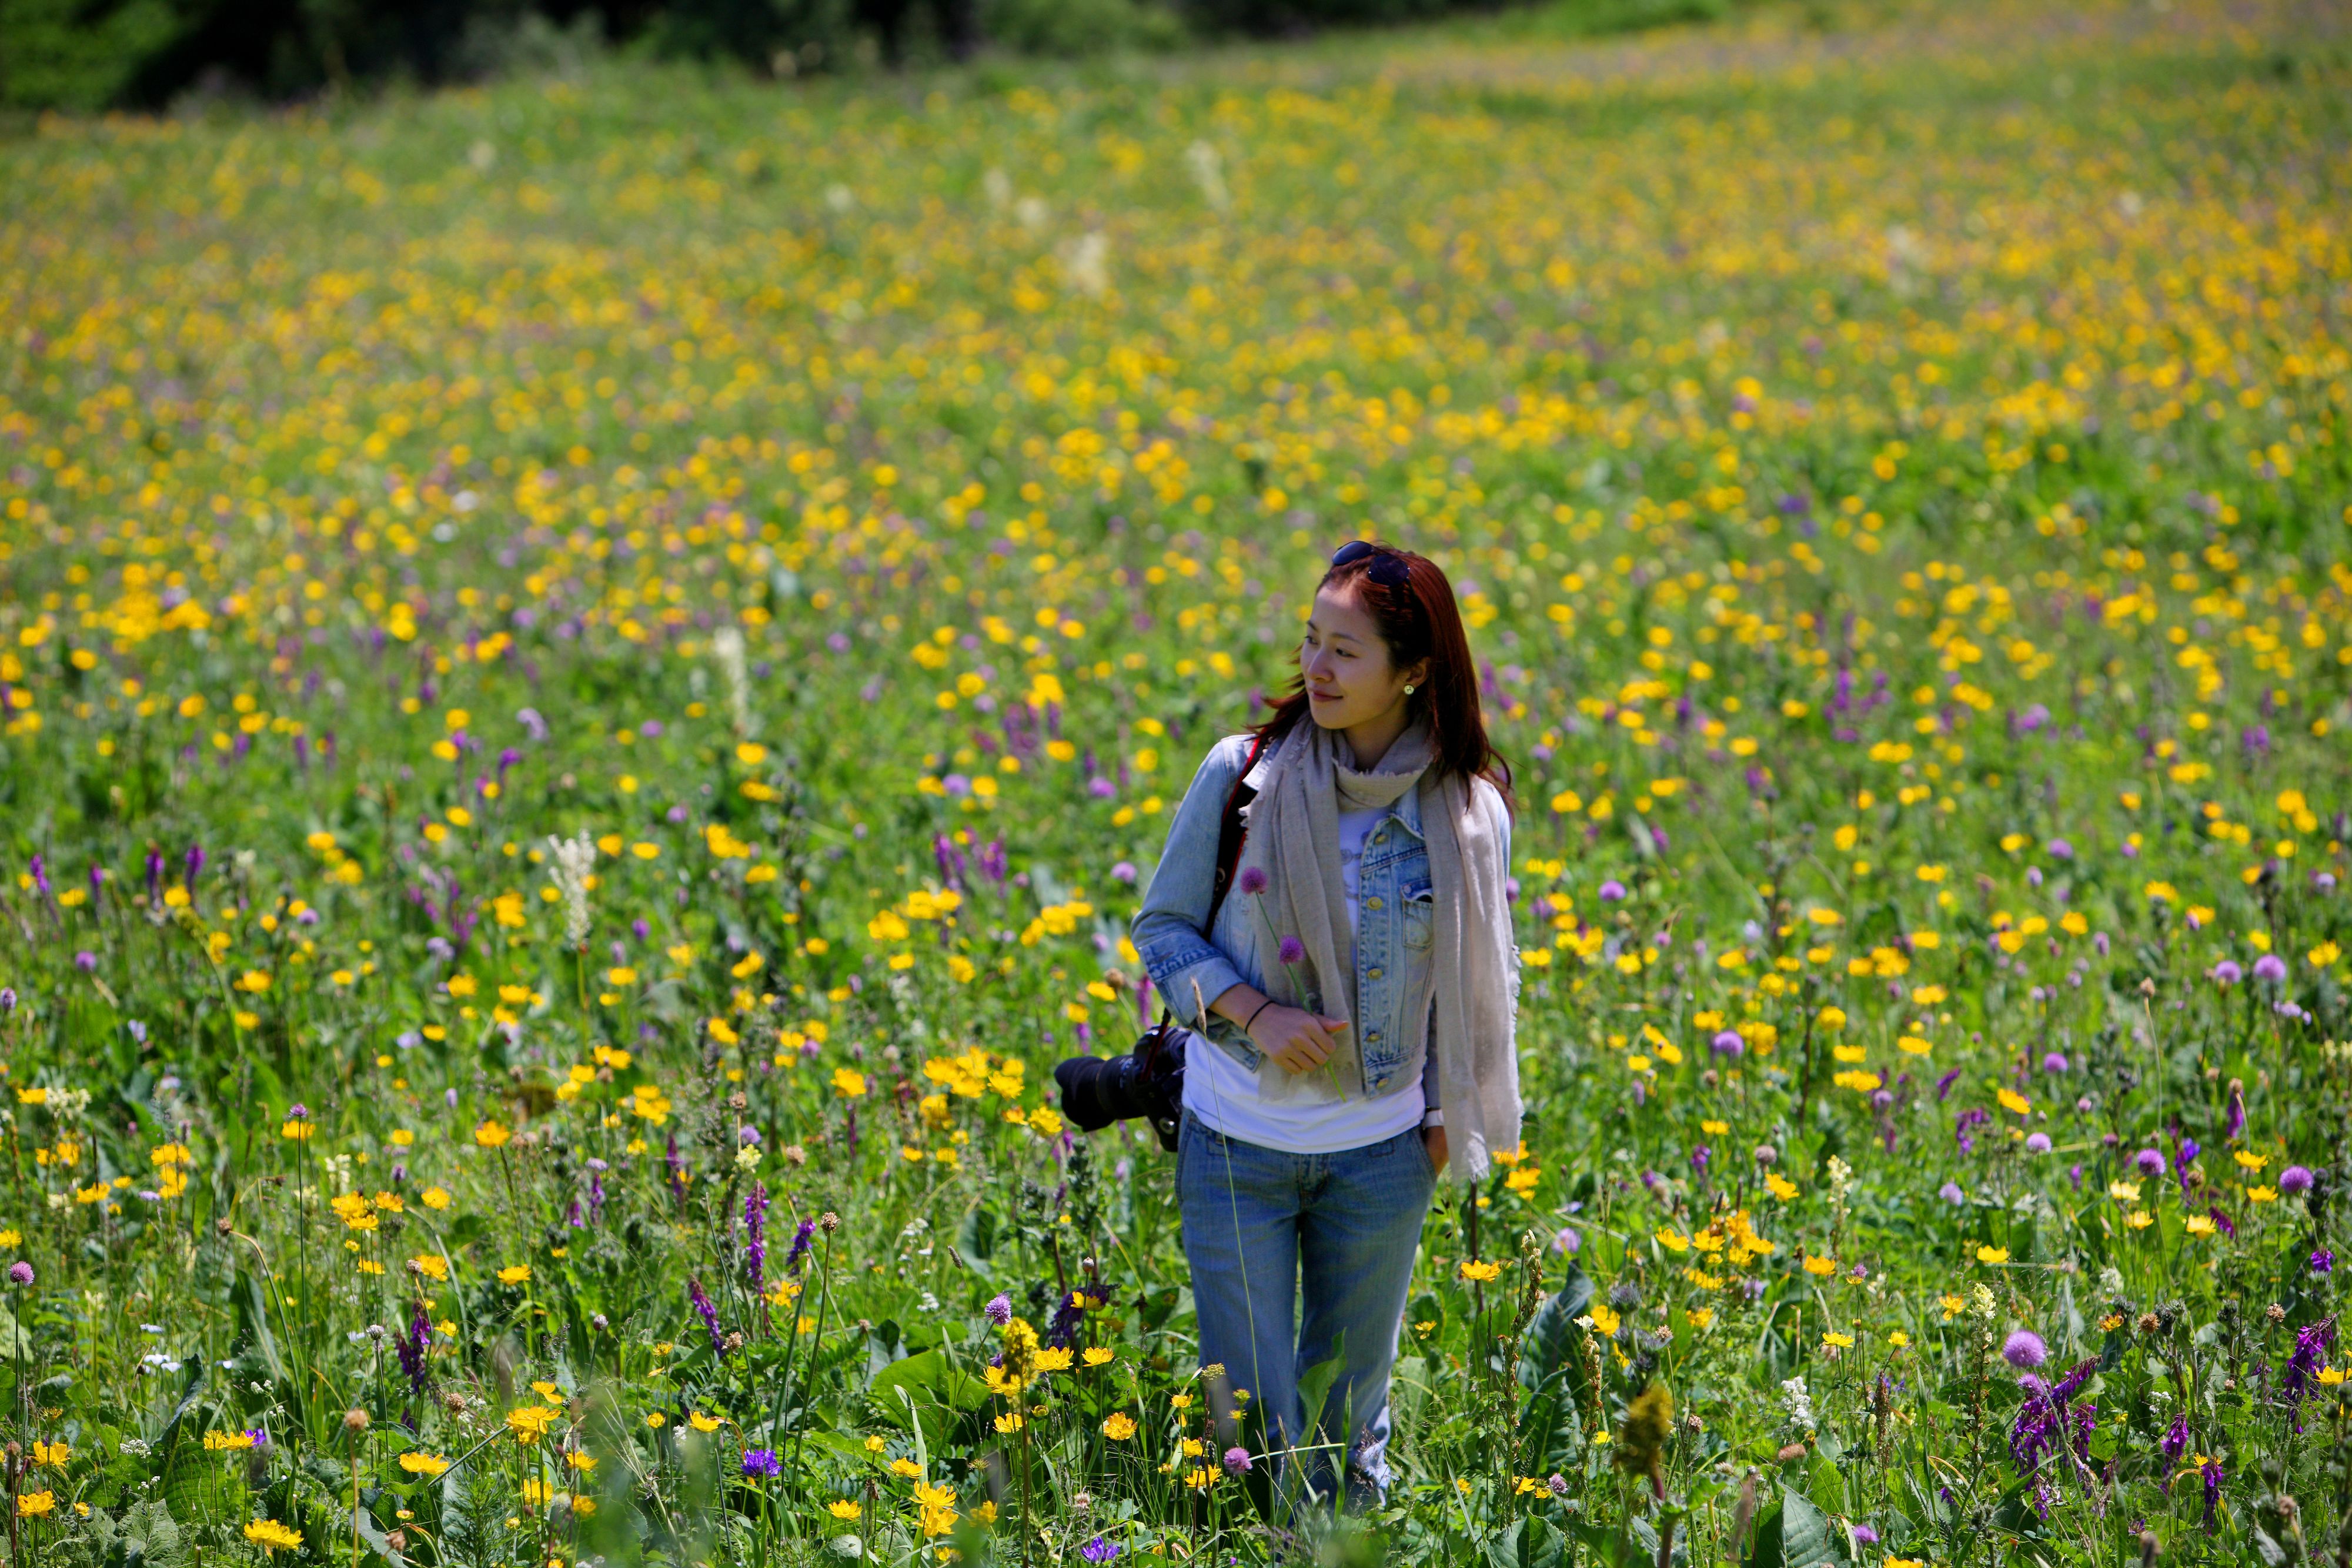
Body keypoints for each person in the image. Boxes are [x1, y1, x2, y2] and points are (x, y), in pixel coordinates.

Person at [1129, 539, 1521, 1511]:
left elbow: (1477, 983)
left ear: (1415, 669)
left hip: (1380, 1158)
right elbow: (1164, 928)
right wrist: (1253, 1011)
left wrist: (1438, 1127)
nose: (1316, 667)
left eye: (1345, 651)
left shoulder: (1468, 811)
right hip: (1235, 1145)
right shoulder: (1244, 776)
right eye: (1311, 641)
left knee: (1352, 1432)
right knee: (1256, 1431)